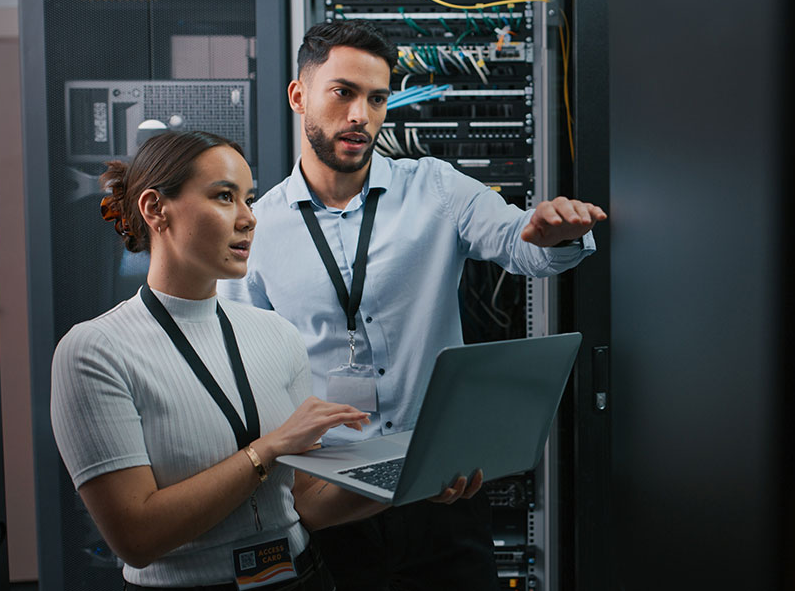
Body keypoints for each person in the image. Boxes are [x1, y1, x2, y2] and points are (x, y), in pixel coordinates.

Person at [218, 21, 606, 590]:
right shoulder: (259, 226)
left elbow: (519, 243)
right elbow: (244, 368)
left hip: (441, 485)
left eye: (377, 99)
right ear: (299, 96)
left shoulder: (437, 189)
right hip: (331, 496)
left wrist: (552, 234)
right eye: (343, 93)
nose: (361, 116)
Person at [50, 130, 480, 591]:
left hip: (301, 577)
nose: (248, 219)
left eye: (249, 199)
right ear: (156, 209)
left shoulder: (276, 334)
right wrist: (268, 449)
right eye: (223, 197)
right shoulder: (95, 351)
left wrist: (414, 479)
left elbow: (308, 503)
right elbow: (136, 538)